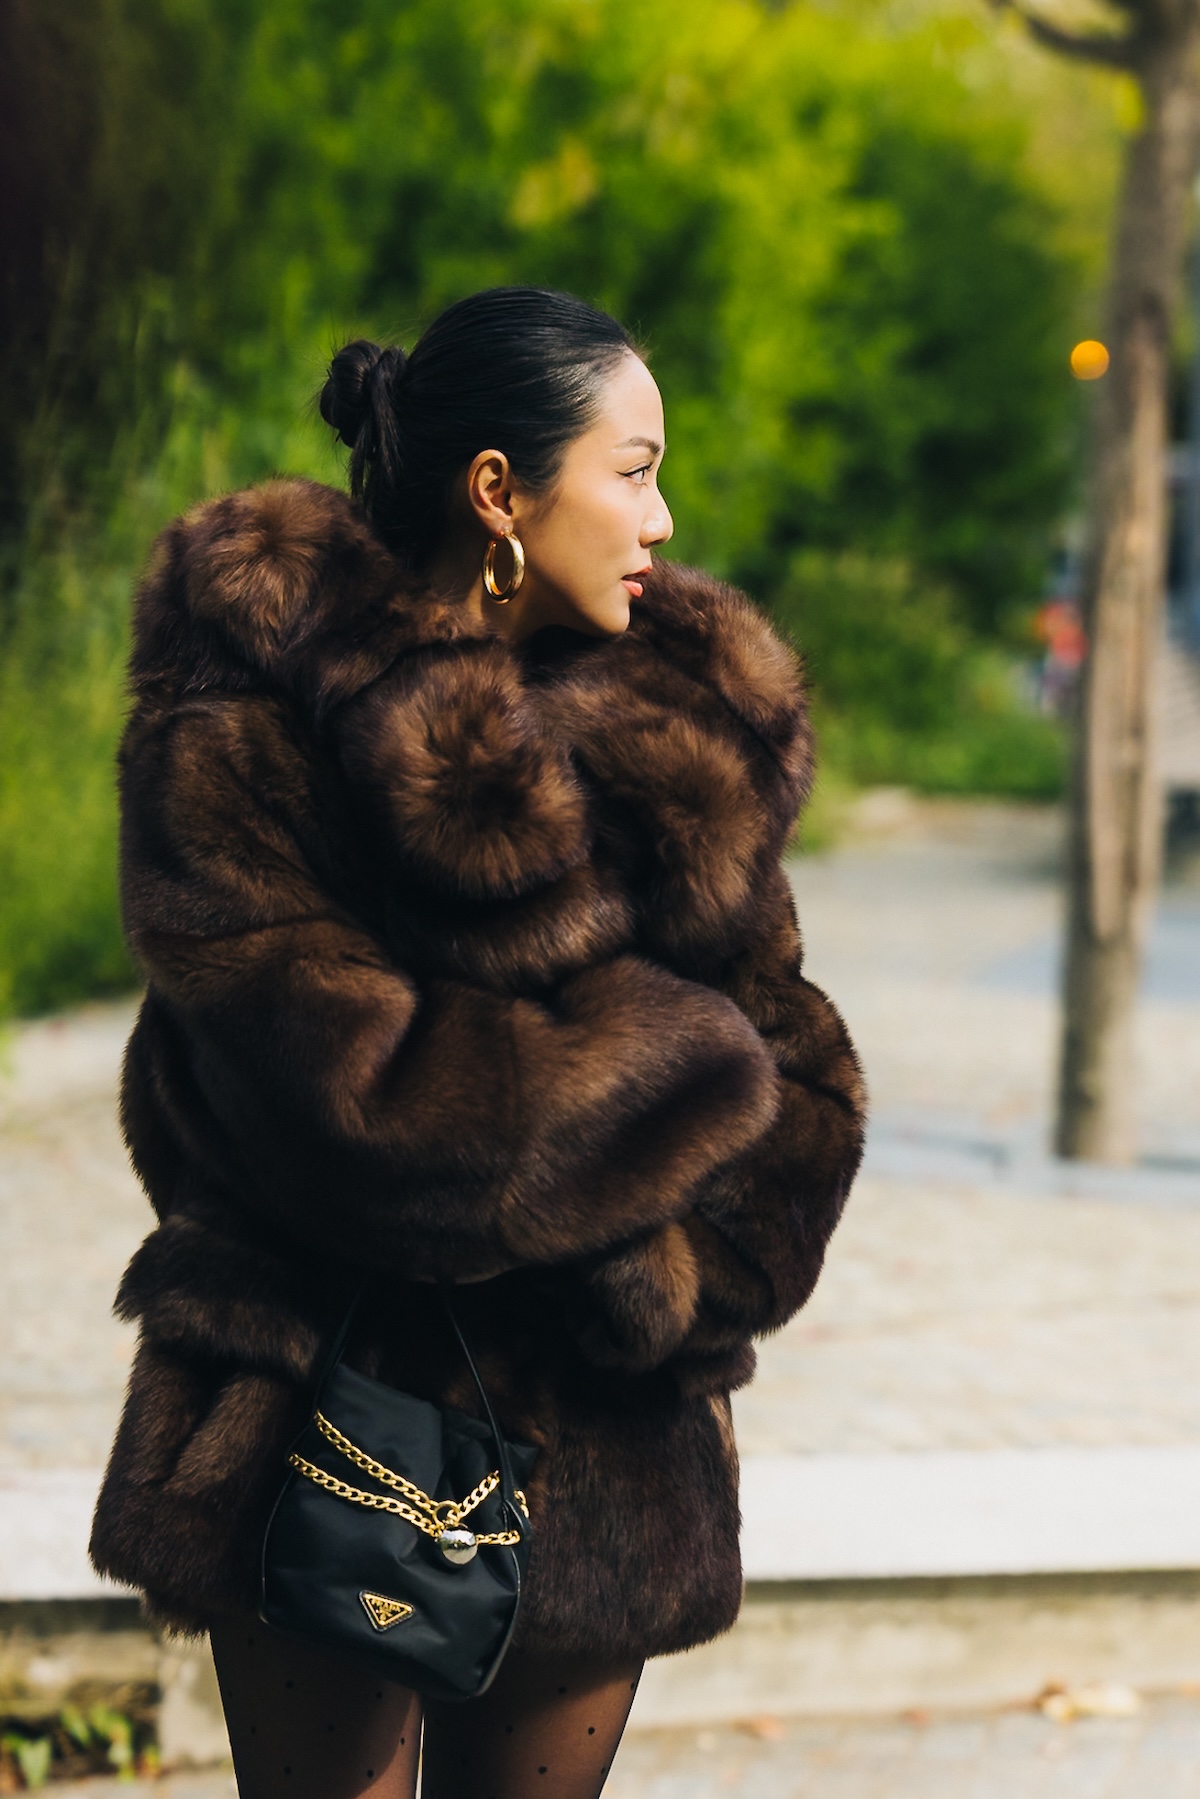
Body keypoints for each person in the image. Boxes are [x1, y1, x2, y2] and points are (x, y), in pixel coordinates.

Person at [90, 286, 865, 1798]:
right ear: (499, 491)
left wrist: (667, 1271)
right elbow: (353, 1109)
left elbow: (804, 1103)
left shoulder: (687, 746)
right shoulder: (250, 712)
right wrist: (676, 1093)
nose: (663, 519)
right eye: (632, 471)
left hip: (601, 1441)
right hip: (320, 1415)